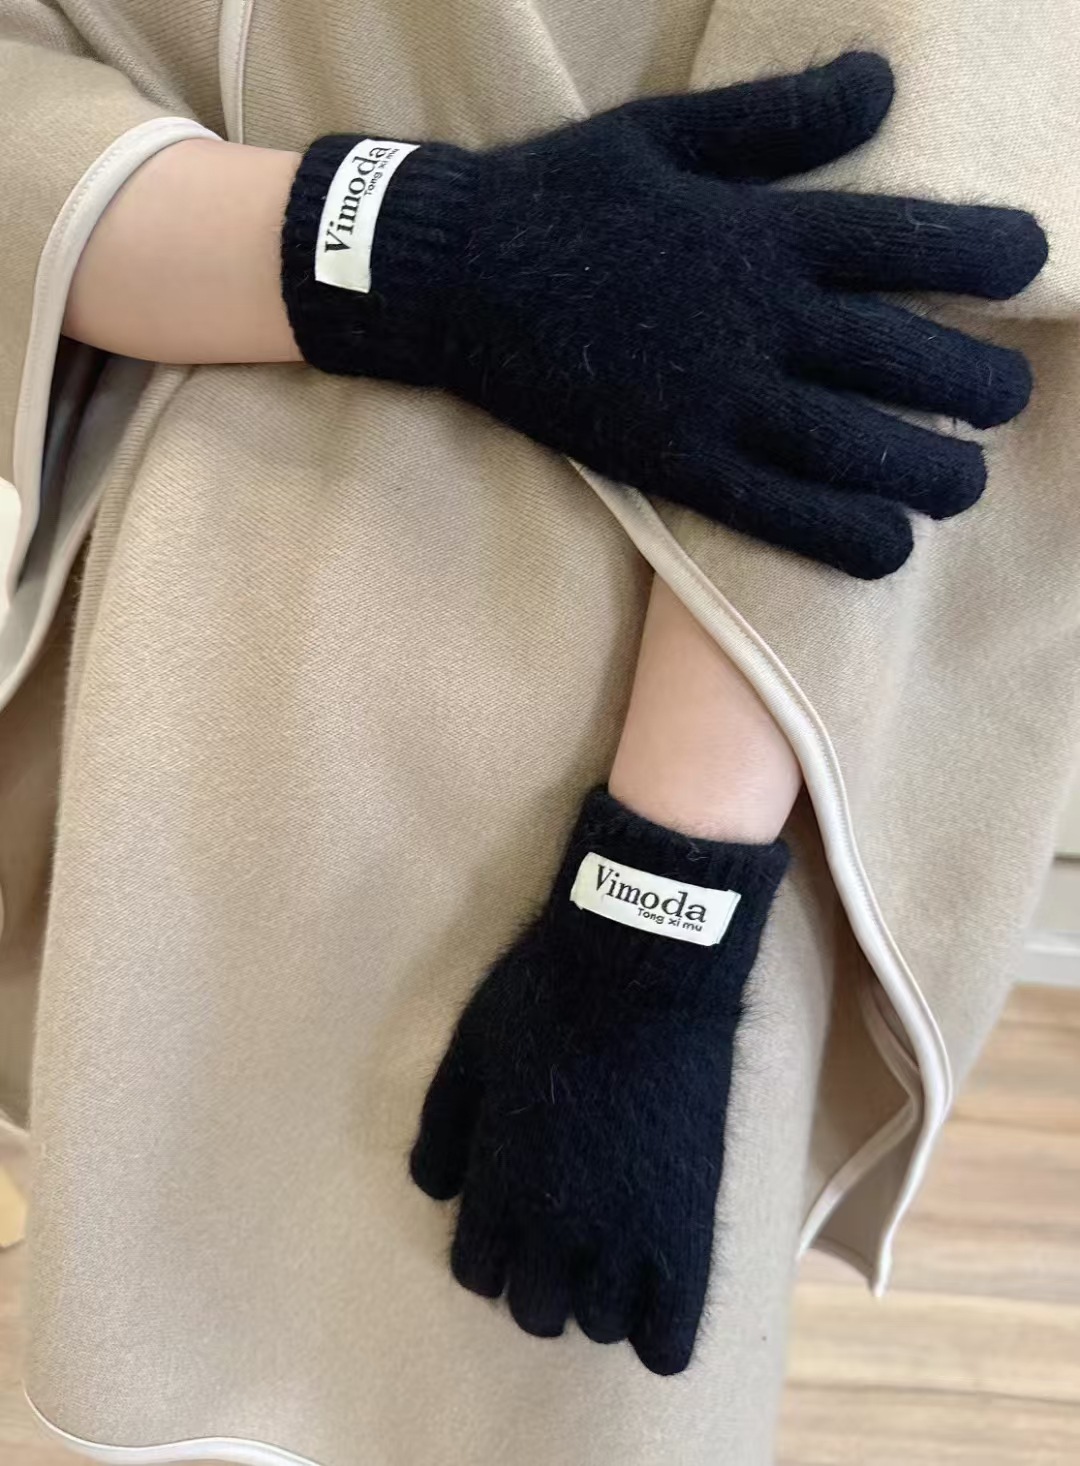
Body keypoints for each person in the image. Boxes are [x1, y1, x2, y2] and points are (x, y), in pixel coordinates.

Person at [0, 5, 1077, 1464]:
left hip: (578, 756)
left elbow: (897, 280)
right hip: (158, 709)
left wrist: (654, 932)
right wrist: (420, 249)